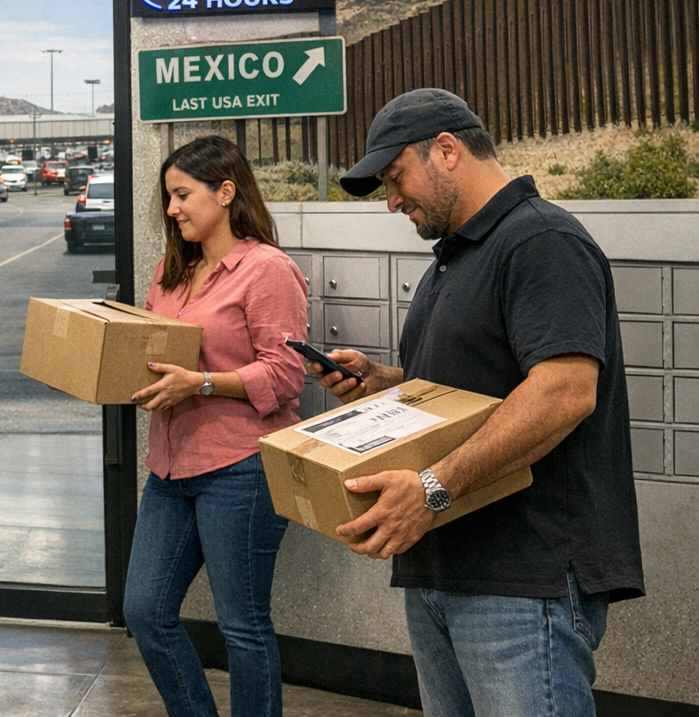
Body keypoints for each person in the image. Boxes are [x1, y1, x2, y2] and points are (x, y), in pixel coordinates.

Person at [317, 88, 643, 717]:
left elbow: (563, 393)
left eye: (395, 178)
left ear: (446, 151)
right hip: (444, 568)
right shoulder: (456, 259)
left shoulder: (541, 240)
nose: (392, 201)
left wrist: (433, 487)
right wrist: (386, 383)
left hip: (524, 580)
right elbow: (475, 389)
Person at [123, 135, 309, 717]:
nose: (172, 208)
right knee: (144, 612)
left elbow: (285, 375)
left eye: (183, 195)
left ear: (226, 192)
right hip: (170, 468)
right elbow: (153, 353)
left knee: (243, 626)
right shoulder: (171, 273)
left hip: (240, 468)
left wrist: (200, 383)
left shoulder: (267, 269)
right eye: (168, 197)